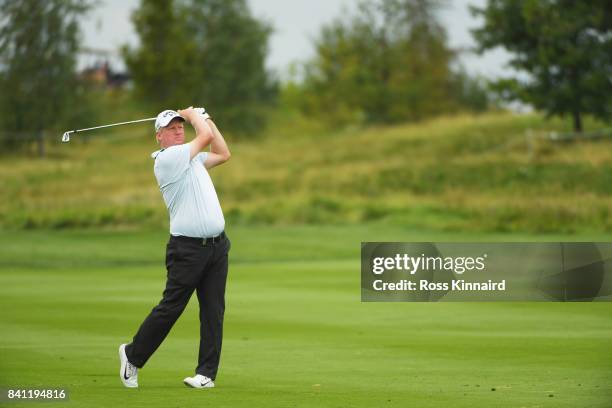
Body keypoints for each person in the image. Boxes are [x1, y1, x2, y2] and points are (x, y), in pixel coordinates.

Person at [118, 106, 231, 389]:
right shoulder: (168, 159)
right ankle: (132, 355)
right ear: (159, 136)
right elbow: (203, 138)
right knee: (171, 308)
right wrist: (195, 117)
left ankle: (206, 374)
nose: (179, 130)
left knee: (213, 311)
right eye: (172, 128)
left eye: (181, 126)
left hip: (217, 247)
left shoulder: (191, 159)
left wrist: (206, 119)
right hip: (188, 250)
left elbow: (223, 152)